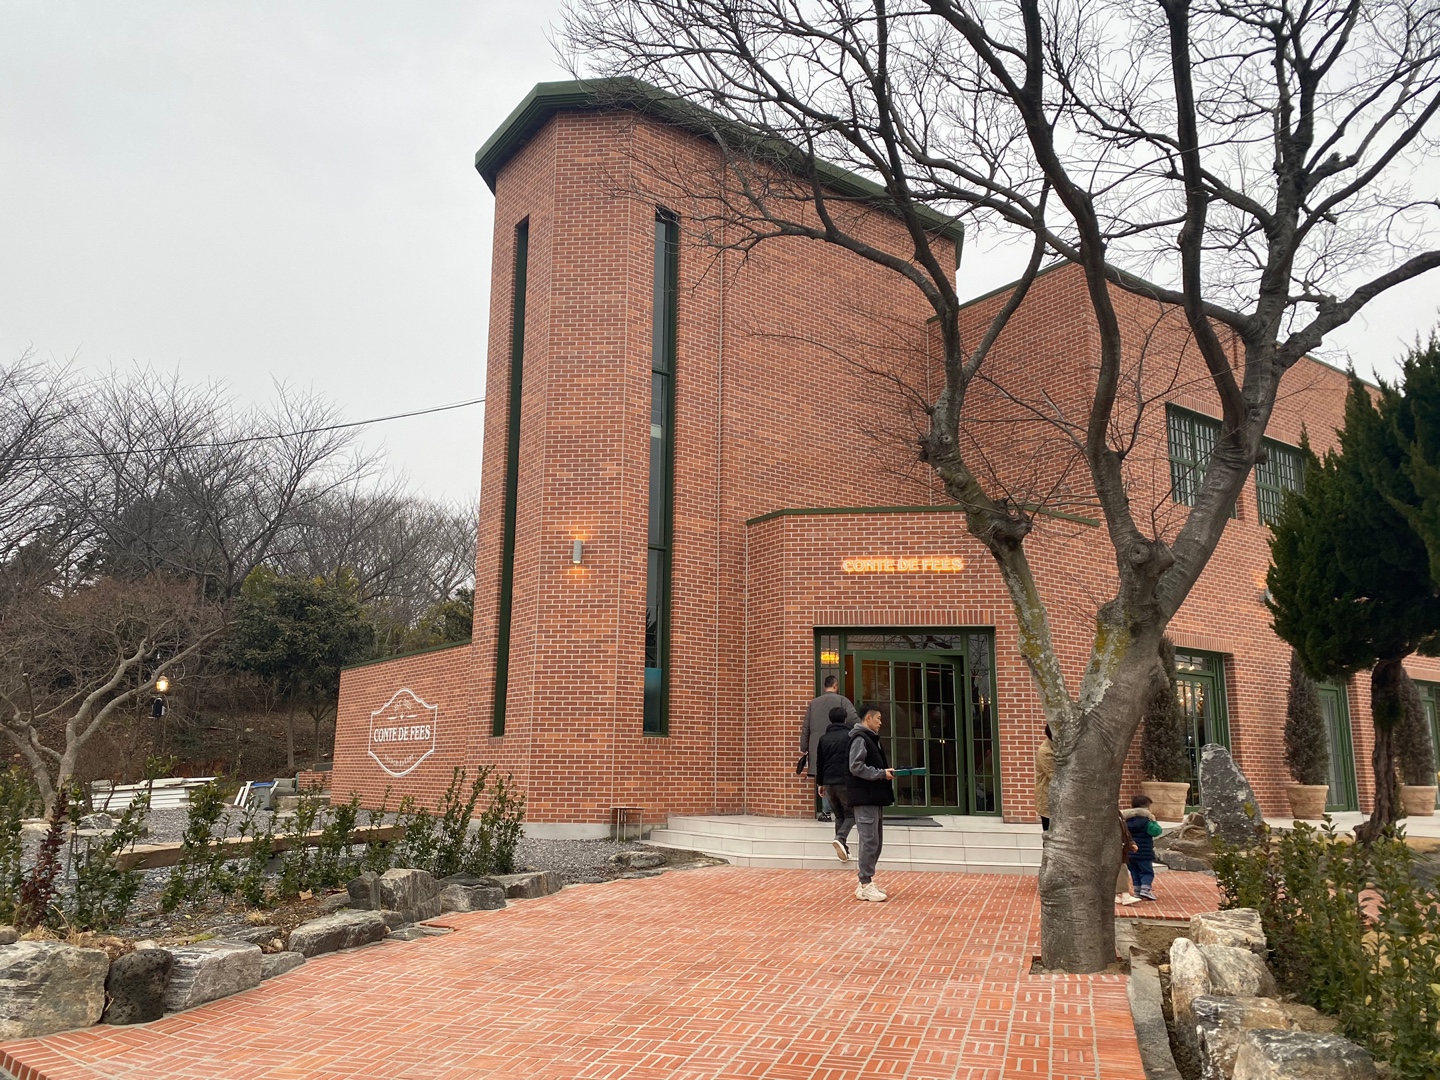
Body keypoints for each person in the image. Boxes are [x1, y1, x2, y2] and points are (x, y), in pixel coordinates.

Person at [848, 704, 895, 901]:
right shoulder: (860, 738)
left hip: (874, 797)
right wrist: (881, 774)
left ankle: (864, 883)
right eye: (878, 718)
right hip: (865, 797)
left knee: (875, 841)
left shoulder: (871, 739)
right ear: (868, 718)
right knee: (869, 841)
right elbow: (855, 767)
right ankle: (866, 883)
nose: (880, 722)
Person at [800, 675, 858, 821]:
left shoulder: (814, 703)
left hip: (817, 744)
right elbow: (853, 719)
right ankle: (840, 809)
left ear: (824, 686)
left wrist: (804, 747)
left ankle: (826, 811)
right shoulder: (843, 700)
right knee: (837, 775)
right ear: (835, 685)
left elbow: (806, 727)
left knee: (823, 775)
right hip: (837, 742)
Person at [815, 705, 857, 861]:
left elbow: (820, 763)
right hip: (845, 781)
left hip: (828, 782)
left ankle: (843, 849)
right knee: (852, 814)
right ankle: (840, 838)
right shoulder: (850, 736)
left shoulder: (823, 739)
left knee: (839, 815)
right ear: (845, 719)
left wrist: (820, 783)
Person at [1124, 794, 1163, 901]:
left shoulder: (1126, 820)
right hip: (1144, 852)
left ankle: (1137, 891)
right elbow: (1156, 831)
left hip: (1130, 852)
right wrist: (1154, 821)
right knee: (1147, 872)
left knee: (1134, 872)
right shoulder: (1147, 821)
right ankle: (1145, 890)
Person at [1116, 810, 1142, 905]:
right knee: (1122, 869)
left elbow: (1125, 831)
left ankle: (1119, 894)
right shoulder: (1110, 812)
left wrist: (1131, 842)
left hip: (1121, 847)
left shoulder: (1118, 813)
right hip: (1114, 847)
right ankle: (1124, 894)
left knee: (1121, 869)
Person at [1034, 724, 1054, 831]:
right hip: (1048, 799)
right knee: (1050, 834)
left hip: (1063, 800)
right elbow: (1055, 775)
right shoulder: (1045, 751)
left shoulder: (1061, 746)